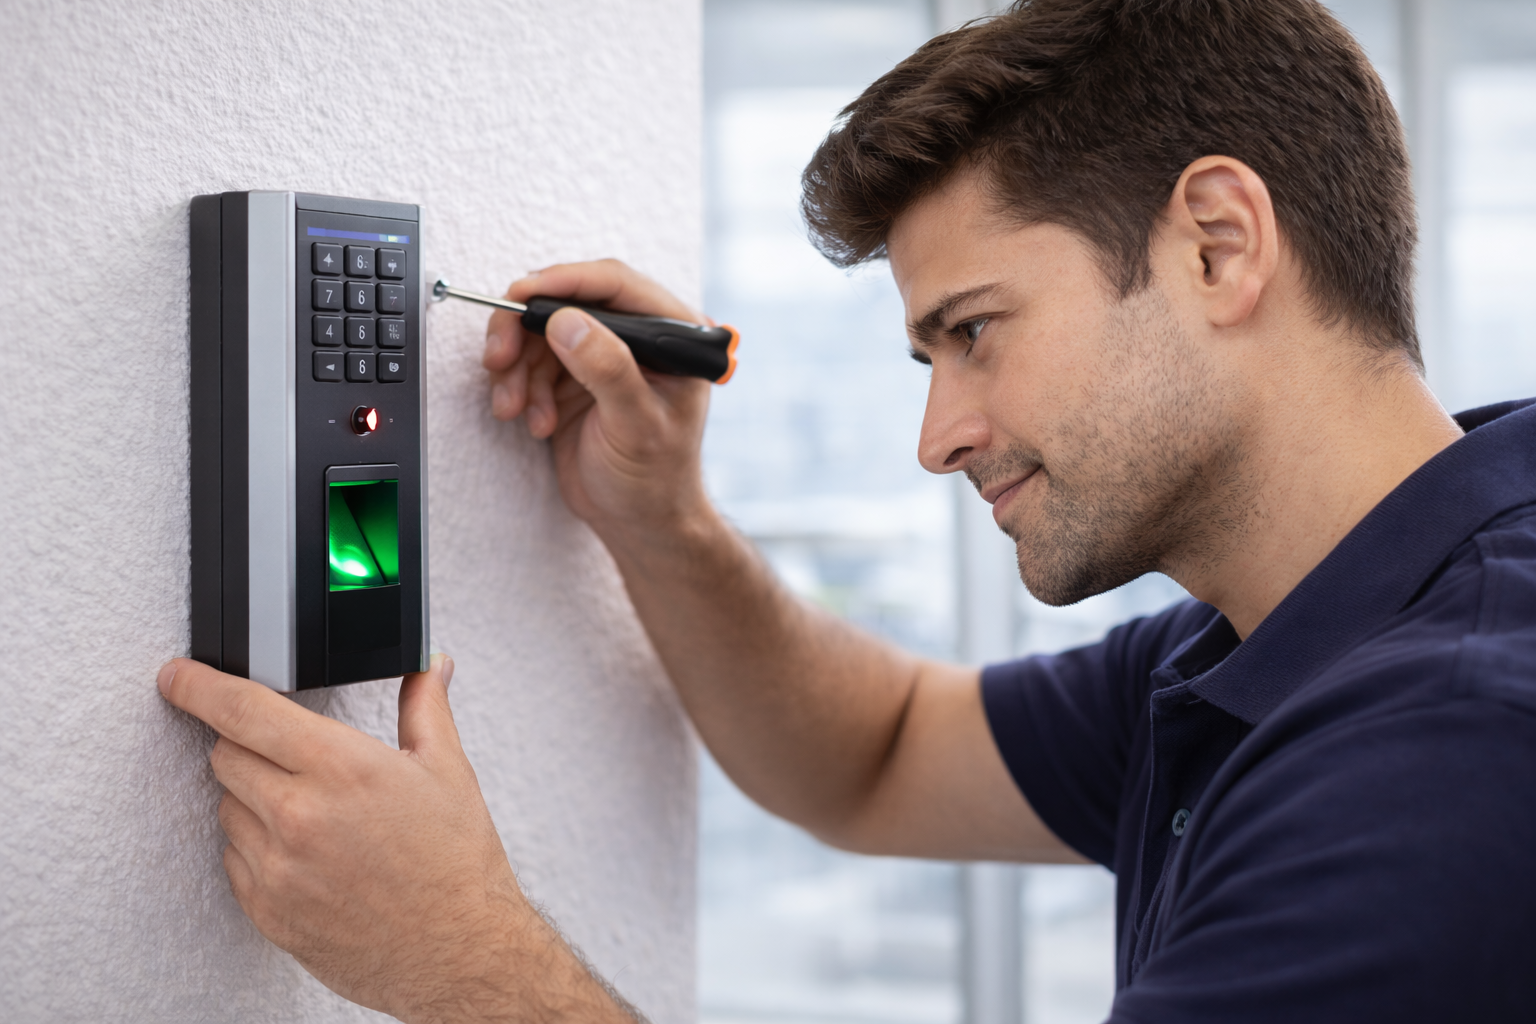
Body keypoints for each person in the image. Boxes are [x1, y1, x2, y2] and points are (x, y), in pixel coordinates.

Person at [158, 0, 1536, 1020]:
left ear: (1218, 245)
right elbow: (873, 757)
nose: (939, 439)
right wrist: (657, 518)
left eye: (977, 331)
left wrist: (463, 959)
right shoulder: (1277, 633)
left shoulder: (1449, 752)